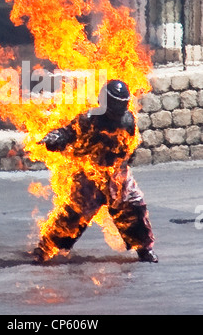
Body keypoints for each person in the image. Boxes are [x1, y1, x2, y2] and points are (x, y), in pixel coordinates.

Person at [34, 80, 158, 263]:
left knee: (134, 209)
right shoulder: (88, 118)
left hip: (117, 175)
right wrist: (56, 137)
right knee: (73, 214)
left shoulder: (128, 120)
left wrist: (122, 167)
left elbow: (130, 148)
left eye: (121, 103)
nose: (117, 108)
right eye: (114, 102)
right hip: (90, 176)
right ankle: (45, 249)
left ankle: (144, 249)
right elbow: (68, 133)